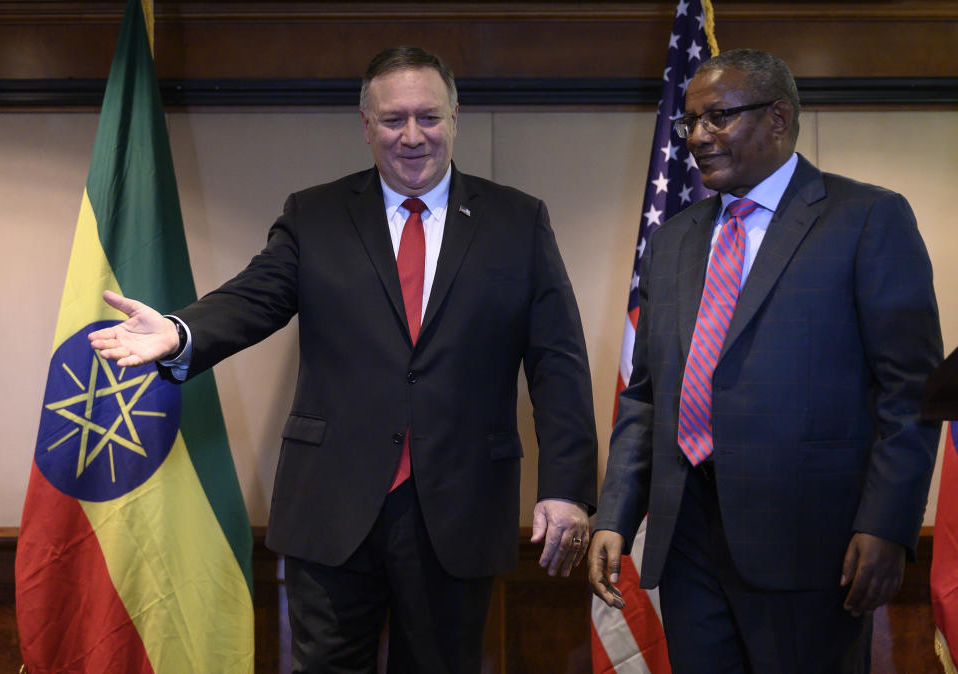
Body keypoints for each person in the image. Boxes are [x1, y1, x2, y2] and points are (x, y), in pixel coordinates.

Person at [89, 46, 598, 673]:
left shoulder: (518, 221)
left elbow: (559, 362)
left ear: (455, 117)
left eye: (429, 117)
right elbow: (255, 296)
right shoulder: (316, 214)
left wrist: (567, 489)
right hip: (332, 506)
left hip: (460, 508)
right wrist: (178, 330)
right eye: (393, 120)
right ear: (366, 125)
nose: (412, 136)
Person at [587, 48, 942, 673]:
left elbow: (909, 392)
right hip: (688, 540)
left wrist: (888, 526)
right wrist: (616, 511)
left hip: (815, 546)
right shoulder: (673, 241)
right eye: (689, 123)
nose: (697, 137)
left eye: (717, 118)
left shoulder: (866, 219)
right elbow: (646, 394)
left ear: (778, 118)